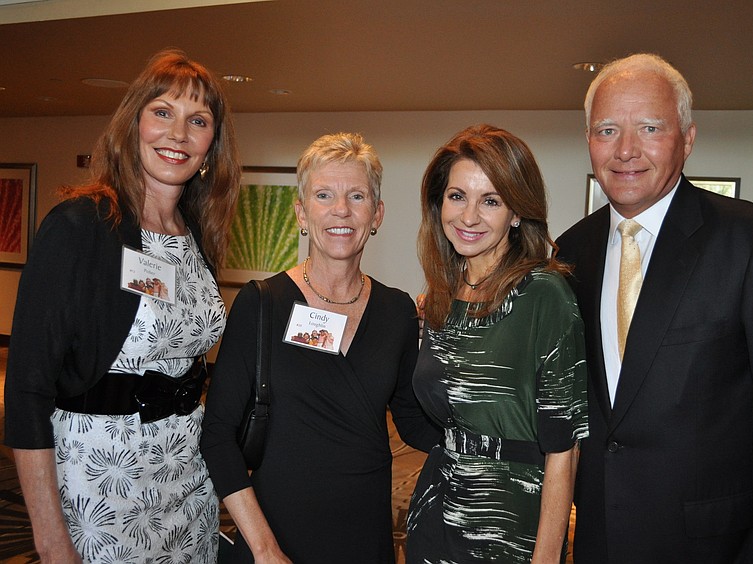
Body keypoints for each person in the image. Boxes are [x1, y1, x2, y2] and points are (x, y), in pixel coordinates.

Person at [555, 53, 753, 563]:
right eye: (606, 130)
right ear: (588, 142)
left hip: (717, 548)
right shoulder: (570, 252)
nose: (625, 150)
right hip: (600, 541)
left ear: (687, 138)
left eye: (649, 127)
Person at [3, 49, 241, 563]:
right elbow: (26, 391)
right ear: (132, 123)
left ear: (211, 145)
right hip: (102, 481)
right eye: (162, 112)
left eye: (197, 121)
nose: (178, 134)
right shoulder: (80, 226)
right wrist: (51, 543)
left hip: (186, 479)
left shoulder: (196, 234)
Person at [200, 132, 441, 563]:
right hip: (275, 535)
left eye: (357, 196)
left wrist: (489, 432)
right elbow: (218, 437)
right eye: (324, 195)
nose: (341, 211)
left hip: (365, 535)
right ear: (301, 213)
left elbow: (412, 420)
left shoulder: (396, 310)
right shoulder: (262, 304)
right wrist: (265, 549)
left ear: (378, 213)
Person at [407, 124, 589, 563]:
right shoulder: (440, 296)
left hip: (510, 526)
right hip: (435, 513)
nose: (468, 217)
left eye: (490, 200)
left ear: (517, 213)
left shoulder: (544, 294)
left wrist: (546, 558)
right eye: (457, 196)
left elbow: (564, 450)